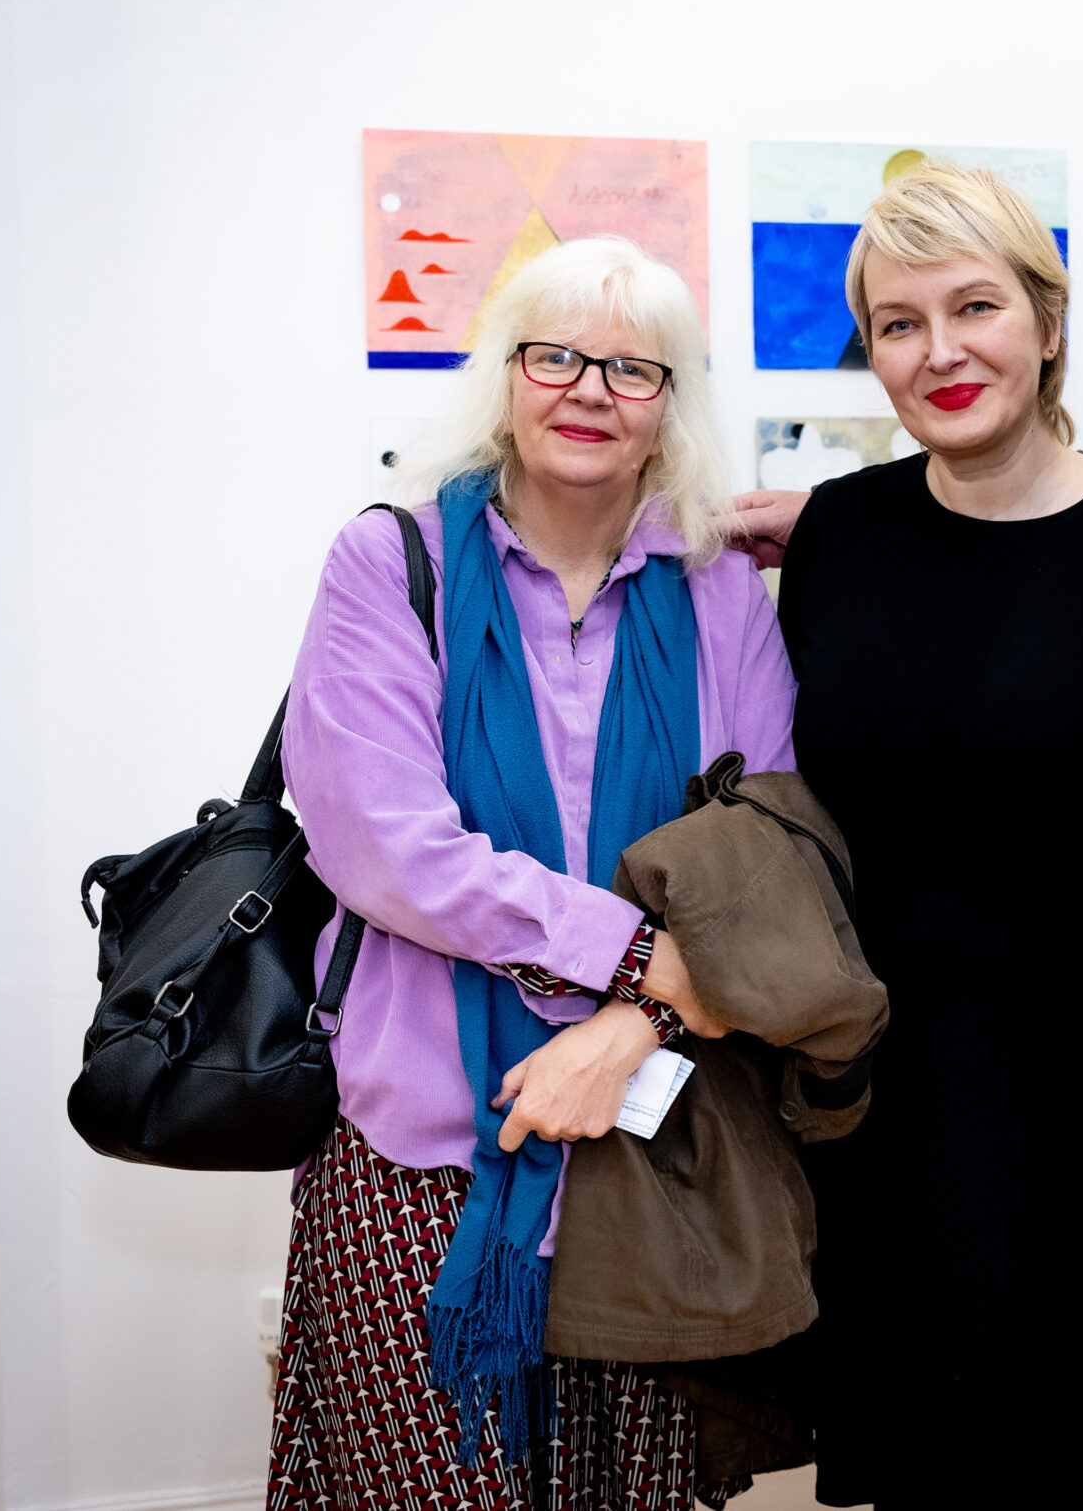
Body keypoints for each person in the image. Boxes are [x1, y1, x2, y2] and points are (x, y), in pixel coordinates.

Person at [267, 235, 793, 1510]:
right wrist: (638, 953)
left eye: (632, 368)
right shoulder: (389, 564)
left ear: (669, 404)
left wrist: (633, 1024)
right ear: (504, 379)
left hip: (650, 1146)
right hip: (418, 1152)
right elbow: (387, 846)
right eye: (554, 356)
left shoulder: (722, 594)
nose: (590, 390)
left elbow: (765, 855)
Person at [727, 164, 1083, 1508]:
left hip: (1076, 1103)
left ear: (1047, 322)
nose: (939, 351)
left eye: (975, 306)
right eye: (899, 322)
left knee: (1049, 1464)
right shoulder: (843, 532)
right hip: (870, 1097)